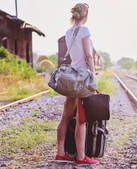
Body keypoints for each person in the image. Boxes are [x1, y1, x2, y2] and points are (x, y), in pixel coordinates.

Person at [55, 3, 99, 166]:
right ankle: (81, 157)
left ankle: (60, 153)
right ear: (86, 16)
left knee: (66, 116)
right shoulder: (85, 31)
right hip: (82, 78)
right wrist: (92, 75)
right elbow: (88, 55)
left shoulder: (68, 32)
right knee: (81, 119)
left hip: (72, 76)